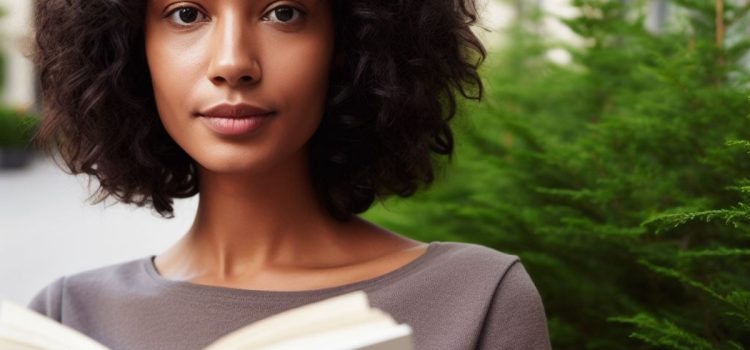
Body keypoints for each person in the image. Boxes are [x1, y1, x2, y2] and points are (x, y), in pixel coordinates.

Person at [27, 0, 551, 349]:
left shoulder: (478, 299)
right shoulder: (68, 315)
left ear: (347, 44)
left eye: (283, 12)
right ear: (131, 49)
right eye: (186, 13)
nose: (233, 62)